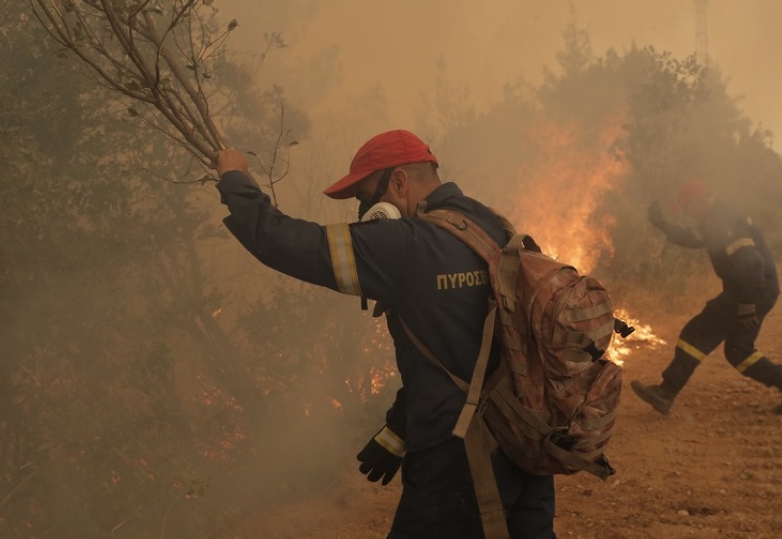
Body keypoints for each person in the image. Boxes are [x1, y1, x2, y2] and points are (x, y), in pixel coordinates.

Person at [214, 129, 556, 538]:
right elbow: (457, 348)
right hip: (525, 443)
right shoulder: (492, 226)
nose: (365, 213)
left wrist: (236, 181)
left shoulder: (407, 244)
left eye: (365, 198)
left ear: (398, 182)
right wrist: (397, 431)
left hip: (458, 458)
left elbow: (291, 244)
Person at [631, 179, 782, 416]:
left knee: (695, 334)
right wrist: (662, 224)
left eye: (688, 207)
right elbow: (693, 238)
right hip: (762, 289)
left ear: (701, 200)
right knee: (739, 351)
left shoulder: (721, 220)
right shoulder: (714, 219)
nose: (688, 214)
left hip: (749, 288)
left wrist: (747, 305)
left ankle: (666, 392)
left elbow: (752, 262)